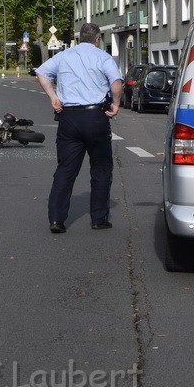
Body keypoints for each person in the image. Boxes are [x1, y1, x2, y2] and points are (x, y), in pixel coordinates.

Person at [35, 23, 124, 233]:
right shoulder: (103, 57)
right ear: (98, 39)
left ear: (79, 38)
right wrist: (116, 104)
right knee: (101, 168)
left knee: (65, 170)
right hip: (95, 117)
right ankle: (99, 219)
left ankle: (56, 220)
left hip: (69, 118)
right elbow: (116, 82)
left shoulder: (64, 56)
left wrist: (54, 98)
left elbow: (41, 73)